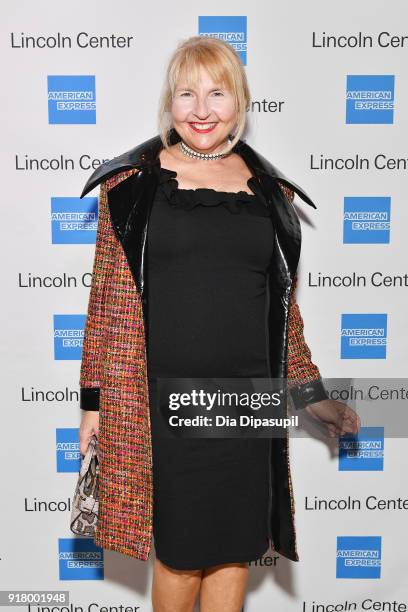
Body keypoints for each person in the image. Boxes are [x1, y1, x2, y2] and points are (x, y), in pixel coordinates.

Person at [78, 35, 360, 612]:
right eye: (186, 93)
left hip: (247, 406)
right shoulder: (130, 189)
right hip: (164, 407)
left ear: (241, 102)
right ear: (168, 102)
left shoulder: (272, 195)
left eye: (216, 93)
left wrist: (313, 397)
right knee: (180, 560)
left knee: (233, 554)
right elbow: (105, 306)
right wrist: (92, 404)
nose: (201, 109)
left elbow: (284, 317)